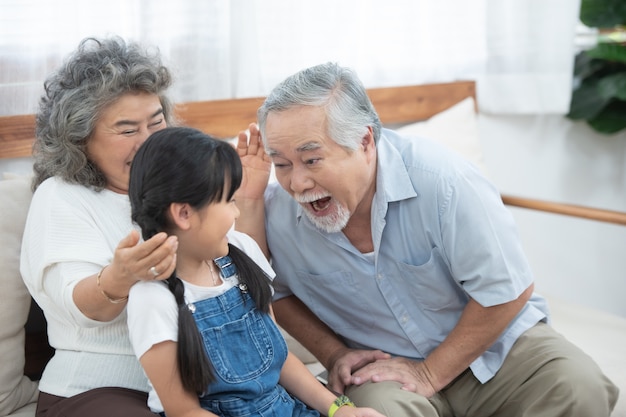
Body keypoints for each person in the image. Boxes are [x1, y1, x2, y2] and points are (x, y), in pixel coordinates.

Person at [234, 62, 620, 417]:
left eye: (312, 159)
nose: (296, 183)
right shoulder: (274, 210)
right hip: (384, 369)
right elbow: (271, 294)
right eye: (281, 165)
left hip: (496, 349)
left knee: (579, 387)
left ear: (365, 142)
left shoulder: (445, 182)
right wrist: (334, 354)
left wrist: (431, 373)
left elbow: (506, 289)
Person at [125, 126, 386, 417]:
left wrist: (339, 409)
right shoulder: (152, 299)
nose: (236, 213)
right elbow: (184, 411)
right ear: (184, 214)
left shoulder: (242, 251)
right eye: (228, 201)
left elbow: (279, 361)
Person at [20, 36, 179, 416]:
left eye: (156, 122)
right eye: (127, 131)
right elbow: (77, 305)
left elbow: (241, 278)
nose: (148, 141)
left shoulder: (182, 186)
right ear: (80, 139)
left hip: (189, 386)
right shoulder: (60, 196)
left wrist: (249, 198)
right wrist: (119, 278)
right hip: (97, 391)